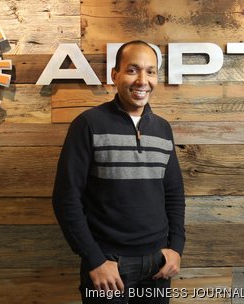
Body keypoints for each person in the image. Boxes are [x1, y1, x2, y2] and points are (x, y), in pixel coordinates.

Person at [52, 40, 185, 304]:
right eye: (133, 70)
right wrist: (94, 259)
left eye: (150, 71)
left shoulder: (162, 128)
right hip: (108, 265)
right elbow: (66, 199)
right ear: (115, 75)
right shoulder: (88, 124)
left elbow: (173, 194)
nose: (142, 80)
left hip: (157, 266)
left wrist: (176, 249)